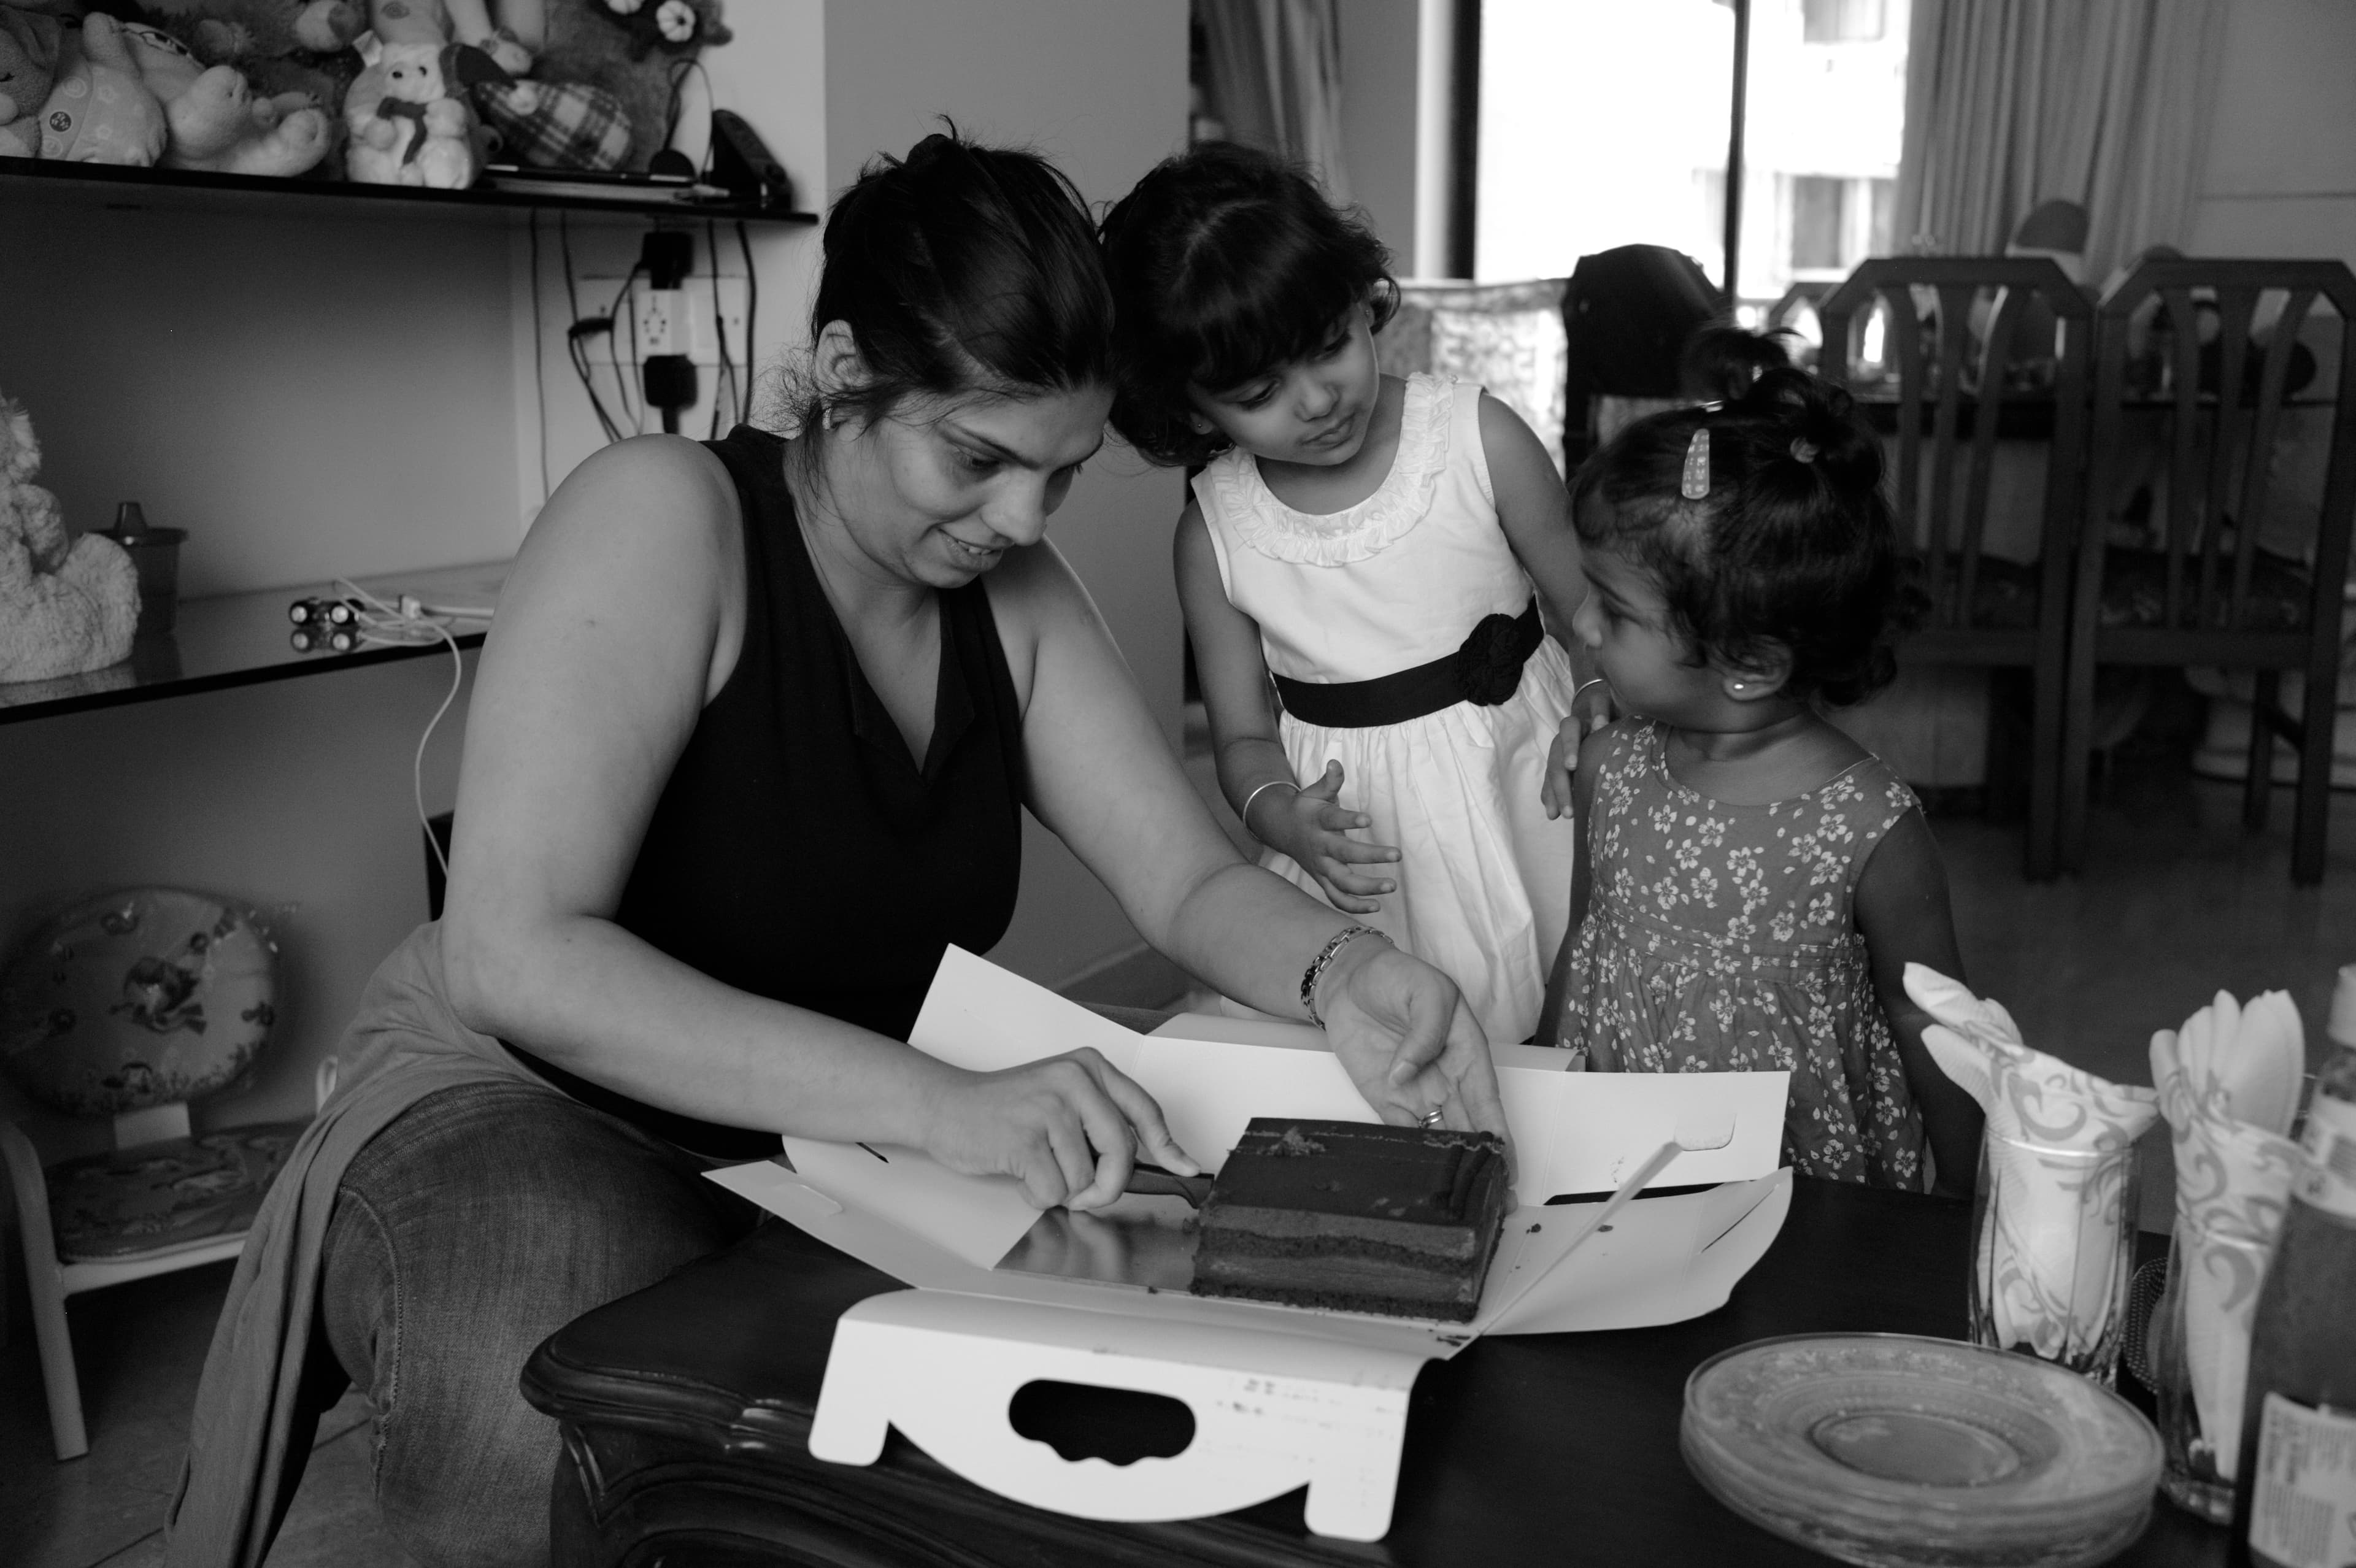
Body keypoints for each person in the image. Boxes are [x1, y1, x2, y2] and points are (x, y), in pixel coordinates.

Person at [167, 132, 1510, 1568]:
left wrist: (1345, 969)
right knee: (549, 1413)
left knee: (944, 1453)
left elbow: (1182, 879)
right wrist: (940, 1105)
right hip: (527, 1098)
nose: (1017, 522)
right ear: (845, 365)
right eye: (977, 459)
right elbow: (515, 951)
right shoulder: (665, 515)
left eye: (1054, 480)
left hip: (821, 1132)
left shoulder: (1015, 597)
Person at [1098, 142, 1600, 1048]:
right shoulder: (1214, 536)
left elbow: (1594, 614)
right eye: (1259, 392)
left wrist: (1594, 707)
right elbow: (1244, 737)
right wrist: (1280, 814)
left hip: (1525, 795)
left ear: (1359, 296)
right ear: (1195, 410)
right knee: (1391, 1061)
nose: (1318, 399)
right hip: (1365, 851)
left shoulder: (1475, 438)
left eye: (1329, 344)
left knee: (1562, 1046)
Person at [1534, 342, 1984, 1196]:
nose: (1582, 627)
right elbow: (1583, 946)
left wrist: (1967, 1194)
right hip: (1615, 1166)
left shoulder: (1867, 824)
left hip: (1797, 1188)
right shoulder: (1612, 769)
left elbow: (1929, 1011)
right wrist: (1537, 1091)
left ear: (1750, 661)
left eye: (1616, 612)